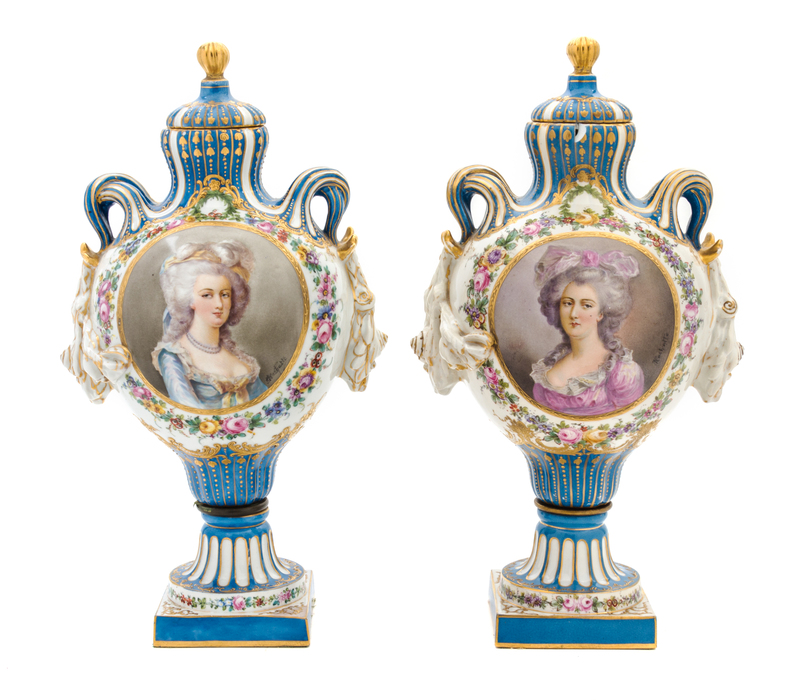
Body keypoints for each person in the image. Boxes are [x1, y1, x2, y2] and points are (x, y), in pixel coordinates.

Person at [151, 240, 267, 409]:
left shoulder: (240, 358)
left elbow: (266, 404)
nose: (219, 304)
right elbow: (189, 412)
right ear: (188, 299)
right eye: (207, 295)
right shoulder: (173, 357)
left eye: (225, 295)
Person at [530, 246, 644, 416]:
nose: (573, 314)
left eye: (586, 305)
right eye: (567, 303)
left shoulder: (622, 373)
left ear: (601, 313)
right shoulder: (545, 374)